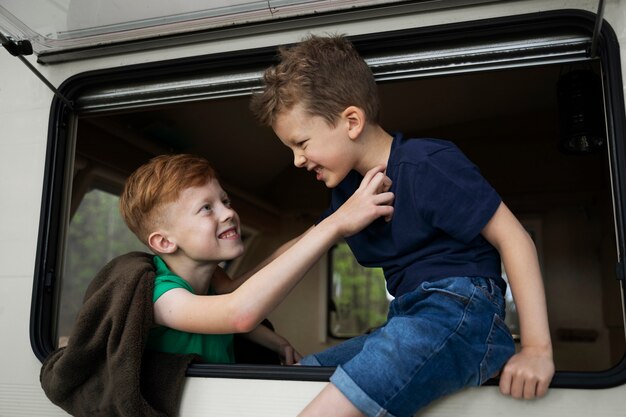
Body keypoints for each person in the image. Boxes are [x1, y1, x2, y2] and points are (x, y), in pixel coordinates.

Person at [249, 34, 555, 417]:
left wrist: (537, 349)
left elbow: (515, 239)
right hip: (408, 316)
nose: (296, 161)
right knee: (303, 376)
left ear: (351, 121)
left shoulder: (427, 164)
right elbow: (306, 242)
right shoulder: (349, 192)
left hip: (460, 312)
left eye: (302, 143)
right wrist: (233, 286)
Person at [118, 153, 394, 366]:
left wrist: (274, 342)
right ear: (164, 242)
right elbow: (236, 315)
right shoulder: (159, 295)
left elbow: (232, 293)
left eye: (225, 201)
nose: (227, 213)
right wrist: (336, 226)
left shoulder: (212, 280)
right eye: (206, 208)